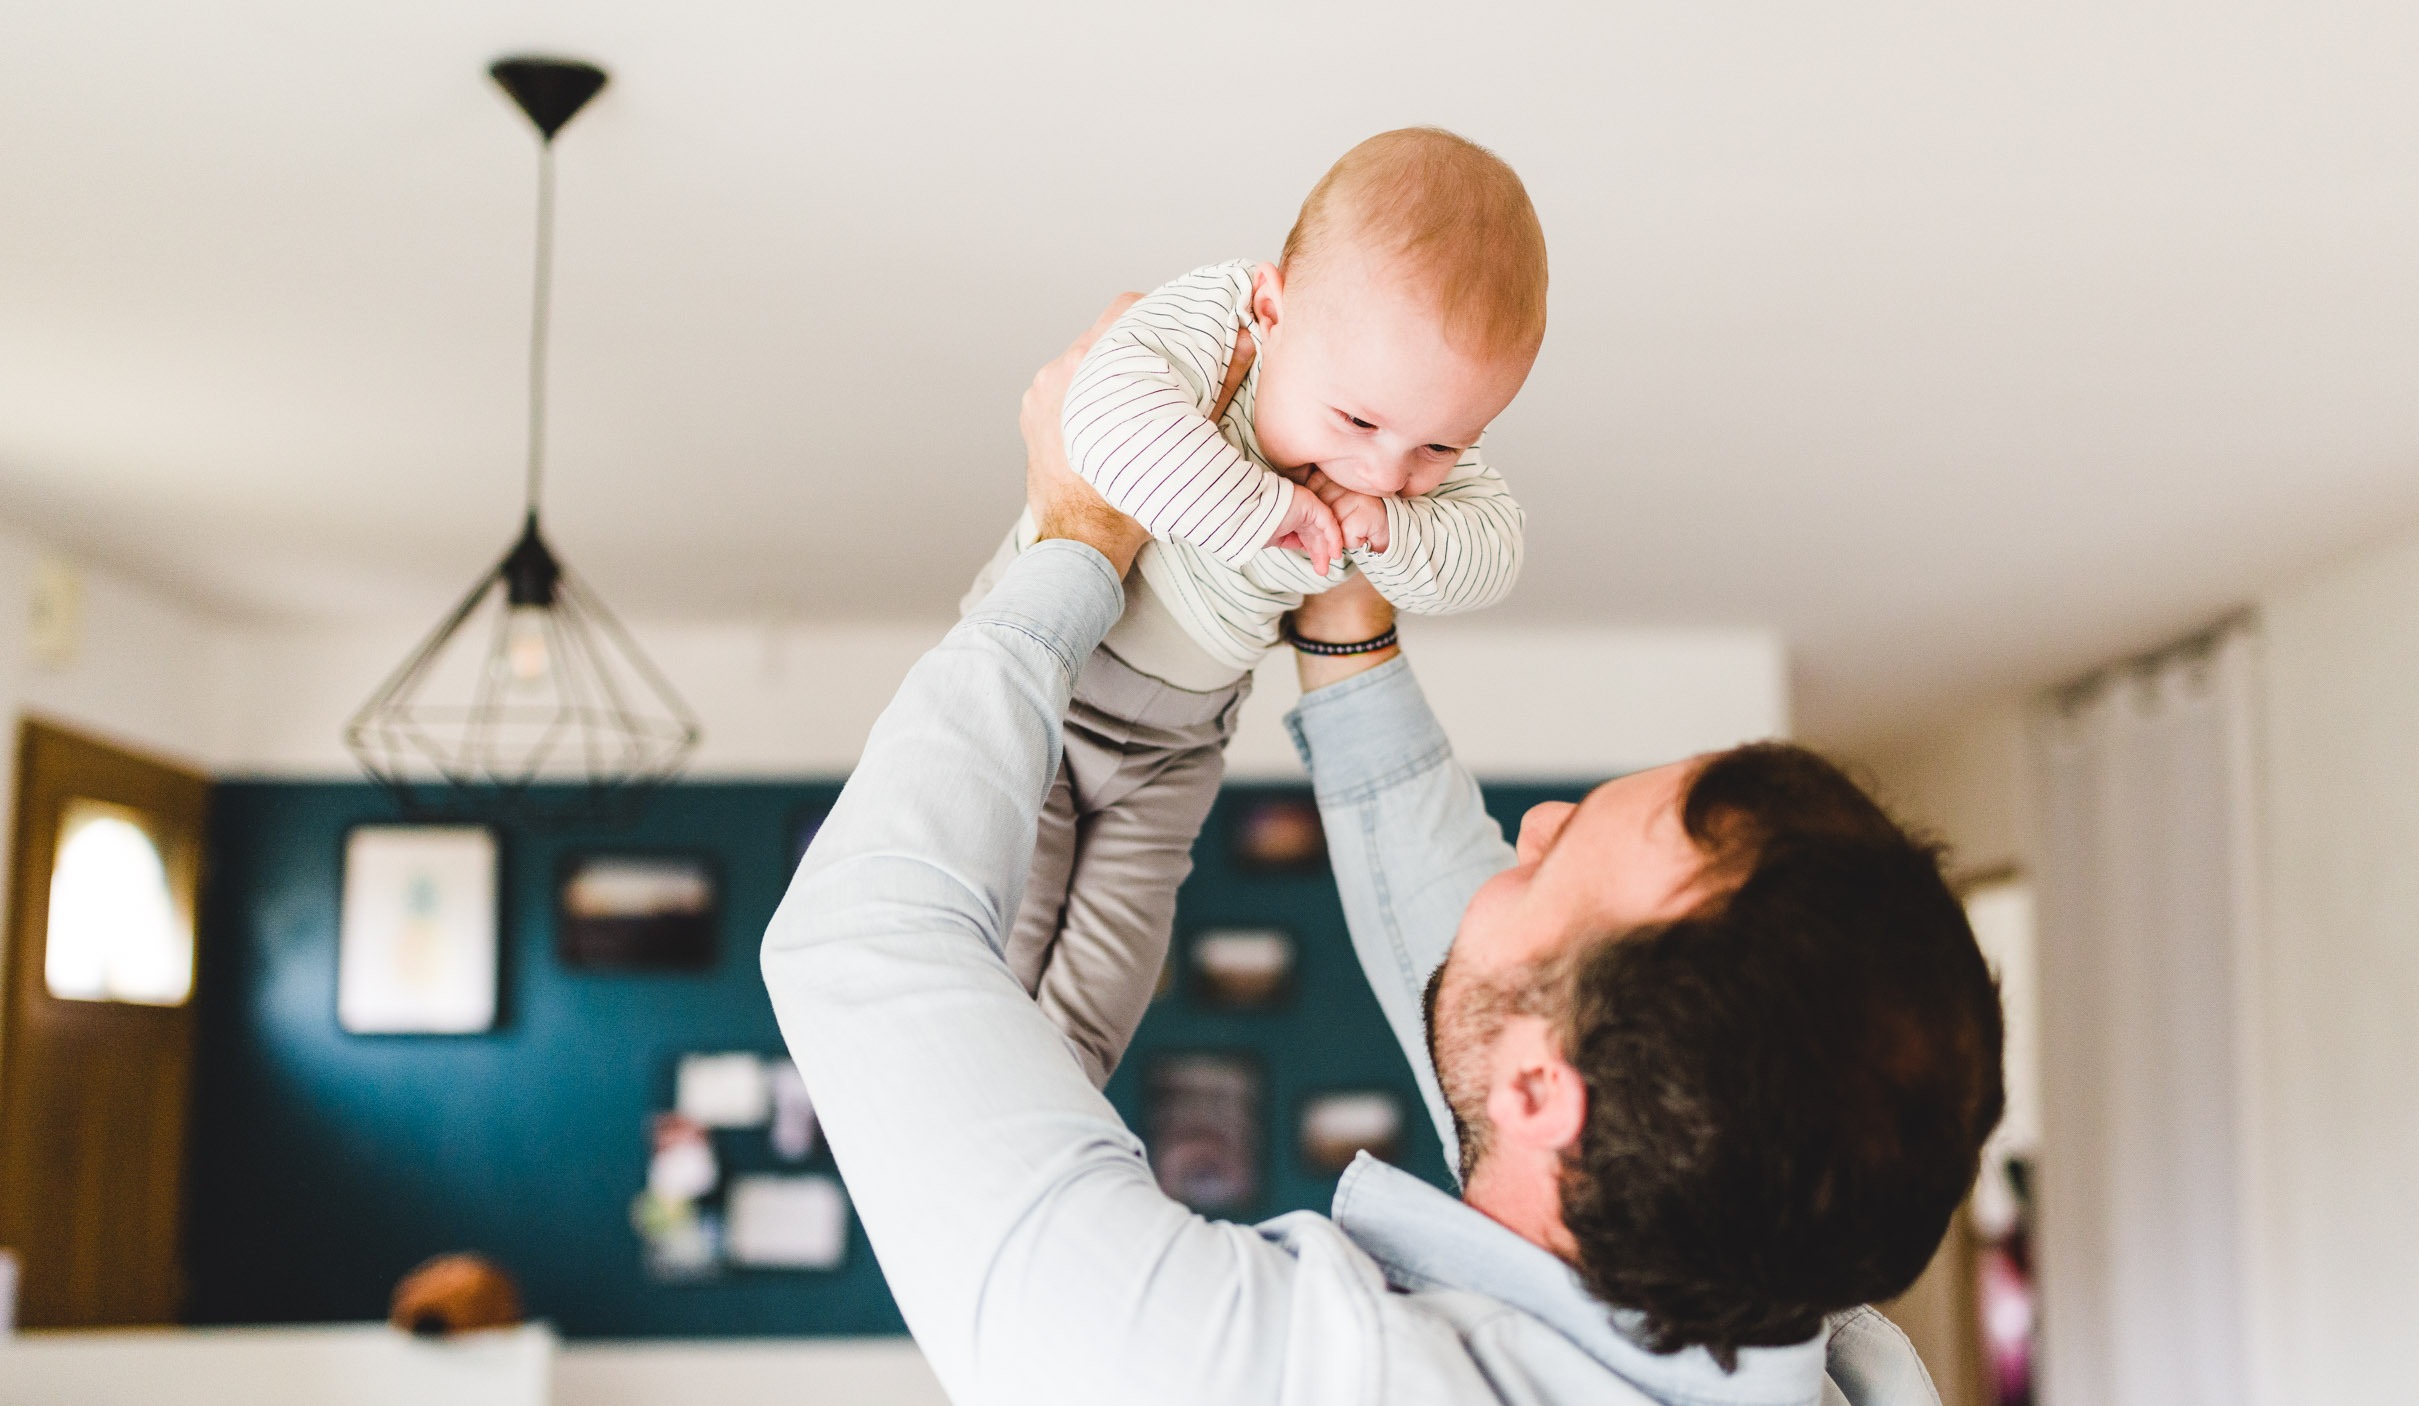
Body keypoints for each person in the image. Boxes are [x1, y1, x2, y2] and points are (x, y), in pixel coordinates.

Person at [762, 307, 2004, 1406]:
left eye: (1550, 868)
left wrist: (1072, 540)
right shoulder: (1802, 1321)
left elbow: (864, 939)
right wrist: (1343, 616)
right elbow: (1503, 989)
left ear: (1538, 1092)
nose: (1532, 825)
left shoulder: (1270, 1377)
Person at [959, 128, 1536, 1087]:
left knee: (1111, 981)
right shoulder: (1215, 322)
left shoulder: (1399, 448)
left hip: (1177, 746)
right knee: (1009, 933)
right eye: (1358, 423)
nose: (1383, 470)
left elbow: (1495, 553)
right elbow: (1099, 420)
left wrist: (1400, 536)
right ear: (1274, 308)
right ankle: (970, 1112)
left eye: (1439, 449)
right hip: (1052, 685)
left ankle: (1046, 1115)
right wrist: (1273, 511)